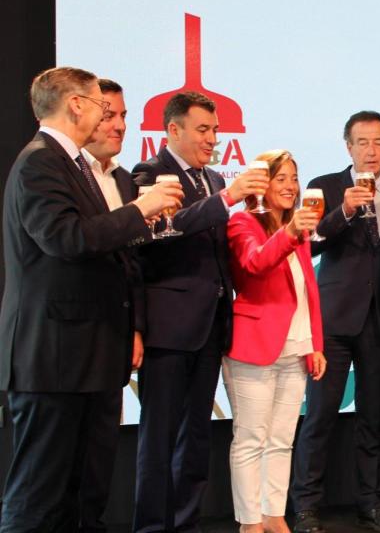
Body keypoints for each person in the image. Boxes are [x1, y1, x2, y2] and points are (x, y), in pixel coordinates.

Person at [0, 67, 181, 531]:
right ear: (76, 104)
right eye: (102, 105)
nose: (107, 117)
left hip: (87, 354)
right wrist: (140, 209)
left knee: (83, 492)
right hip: (54, 357)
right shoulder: (41, 162)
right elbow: (67, 238)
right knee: (40, 495)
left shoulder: (74, 164)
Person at [131, 91, 268, 533]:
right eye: (203, 130)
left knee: (195, 438)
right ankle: (153, 527)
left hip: (211, 325)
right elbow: (163, 231)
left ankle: (186, 523)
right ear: (173, 130)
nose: (212, 139)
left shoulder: (211, 177)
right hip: (169, 328)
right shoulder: (150, 173)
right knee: (159, 438)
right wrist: (227, 198)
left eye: (215, 130)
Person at [292, 111, 380, 533]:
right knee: (319, 416)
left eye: (378, 142)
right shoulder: (325, 186)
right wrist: (343, 210)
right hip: (334, 320)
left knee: (373, 419)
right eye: (362, 142)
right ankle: (306, 506)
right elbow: (309, 243)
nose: (371, 150)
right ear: (348, 146)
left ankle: (370, 503)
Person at [224, 149, 327, 532]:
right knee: (251, 438)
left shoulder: (297, 227)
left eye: (293, 178)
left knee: (282, 440)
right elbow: (255, 263)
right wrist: (290, 232)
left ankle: (273, 515)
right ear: (261, 185)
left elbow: (308, 287)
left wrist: (316, 343)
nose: (290, 186)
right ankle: (250, 522)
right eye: (280, 178)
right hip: (254, 346)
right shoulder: (242, 222)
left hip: (295, 347)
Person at [77, 78, 148, 533]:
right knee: (59, 466)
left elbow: (133, 264)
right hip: (70, 340)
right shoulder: (67, 173)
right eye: (109, 115)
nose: (119, 125)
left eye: (123, 116)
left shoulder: (124, 179)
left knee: (101, 458)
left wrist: (136, 327)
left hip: (115, 337)